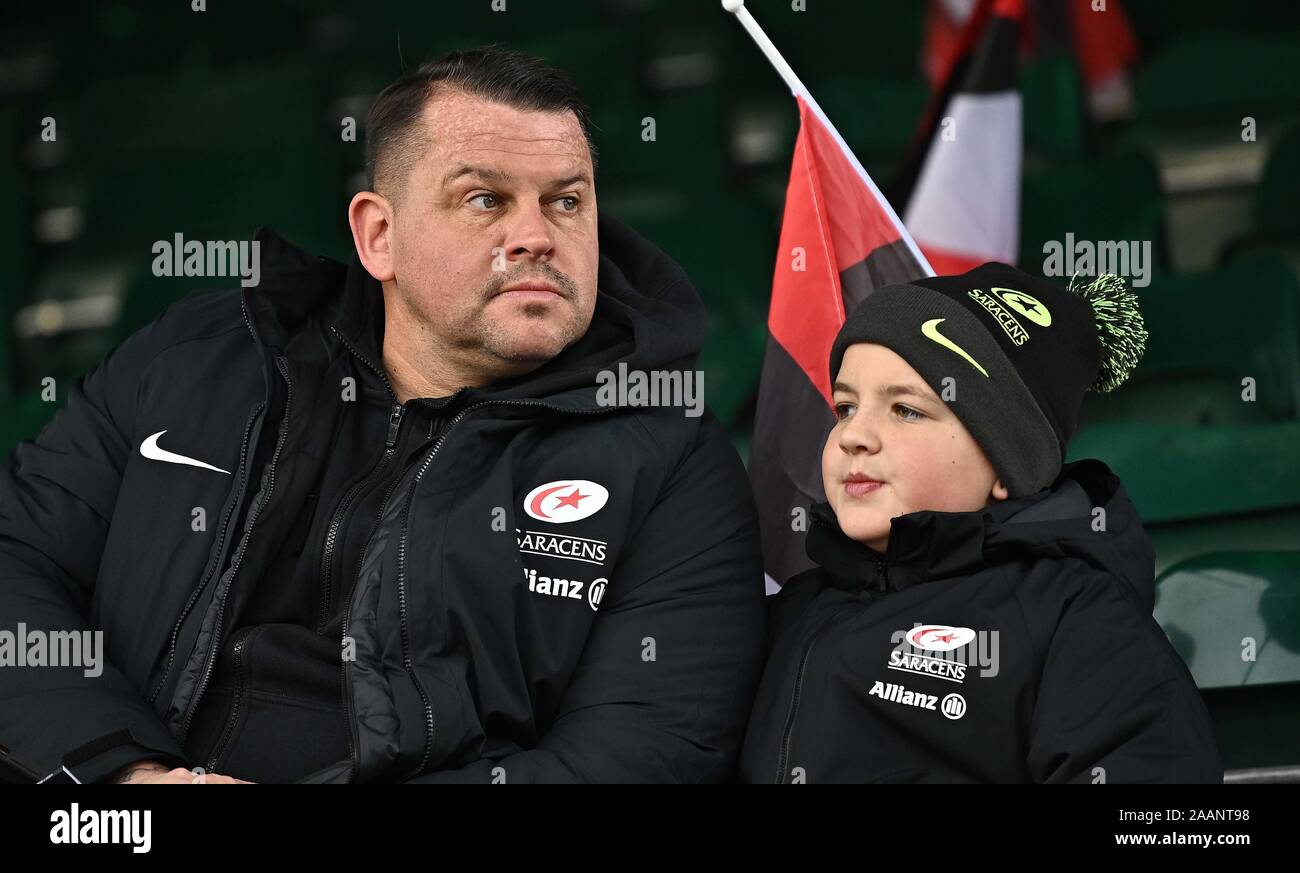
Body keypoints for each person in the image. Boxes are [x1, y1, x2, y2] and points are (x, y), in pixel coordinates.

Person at [0, 46, 766, 783]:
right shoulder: (200, 356)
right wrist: (124, 771)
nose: (536, 236)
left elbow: (642, 752)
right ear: (378, 234)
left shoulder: (670, 460)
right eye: (485, 199)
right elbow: (15, 564)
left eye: (566, 201)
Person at [739, 262, 1223, 783]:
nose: (855, 435)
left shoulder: (1078, 619)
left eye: (905, 410)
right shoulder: (788, 613)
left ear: (1003, 463)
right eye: (845, 407)